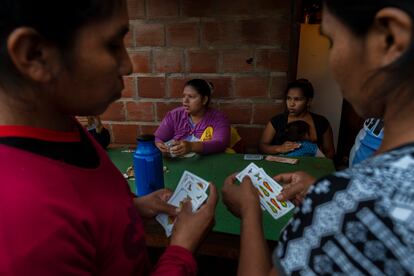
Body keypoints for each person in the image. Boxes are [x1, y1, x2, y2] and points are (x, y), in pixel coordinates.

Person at [0, 0, 218, 275]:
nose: (128, 66)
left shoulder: (60, 126)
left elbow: (88, 204)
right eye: (113, 45)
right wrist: (182, 249)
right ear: (35, 54)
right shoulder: (26, 227)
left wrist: (135, 205)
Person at [222, 0, 414, 274]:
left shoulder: (348, 202)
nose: (332, 63)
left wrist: (250, 210)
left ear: (390, 38)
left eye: (332, 41)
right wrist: (321, 193)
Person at [259, 79, 335, 159]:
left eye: (297, 99)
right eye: (288, 98)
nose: (291, 104)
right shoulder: (277, 121)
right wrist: (279, 148)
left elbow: (330, 152)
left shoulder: (321, 122)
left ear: (308, 101)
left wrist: (317, 164)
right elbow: (262, 147)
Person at [155, 79, 230, 157]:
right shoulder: (175, 115)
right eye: (184, 96)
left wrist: (192, 146)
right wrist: (158, 145)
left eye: (191, 97)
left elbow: (220, 144)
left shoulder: (218, 118)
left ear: (204, 100)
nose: (185, 101)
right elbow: (158, 137)